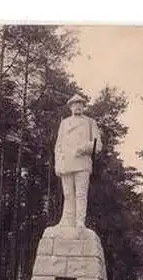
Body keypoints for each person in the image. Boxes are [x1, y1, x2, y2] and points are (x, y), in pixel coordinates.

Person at [54, 94, 102, 228]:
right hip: (66, 163)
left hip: (82, 163)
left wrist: (84, 148)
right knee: (68, 194)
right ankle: (66, 222)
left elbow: (98, 145)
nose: (78, 106)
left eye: (80, 103)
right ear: (70, 107)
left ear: (83, 106)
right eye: (75, 104)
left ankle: (80, 222)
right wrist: (57, 164)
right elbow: (58, 146)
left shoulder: (90, 122)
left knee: (80, 194)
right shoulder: (64, 123)